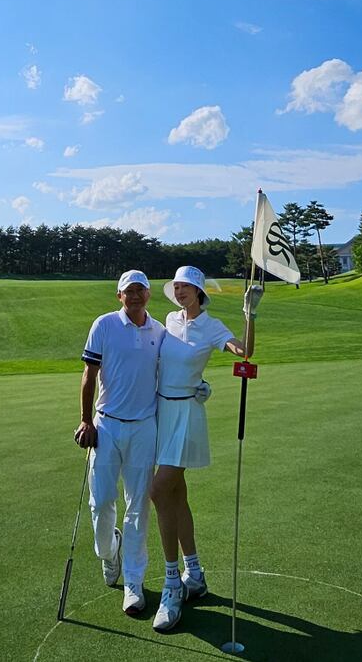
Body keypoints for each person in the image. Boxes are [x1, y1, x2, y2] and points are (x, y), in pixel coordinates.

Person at [150, 265, 262, 632]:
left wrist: (249, 315)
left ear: (199, 292)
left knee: (158, 490)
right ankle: (194, 573)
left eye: (187, 287)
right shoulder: (168, 320)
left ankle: (172, 583)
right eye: (177, 286)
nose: (180, 291)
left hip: (187, 415)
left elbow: (243, 352)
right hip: (162, 412)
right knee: (176, 495)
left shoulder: (212, 326)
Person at [74, 270, 165, 616]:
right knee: (100, 503)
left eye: (141, 289)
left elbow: (171, 372)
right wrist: (85, 420)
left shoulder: (159, 331)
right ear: (119, 296)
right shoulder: (104, 325)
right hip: (107, 425)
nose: (136, 295)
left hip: (144, 428)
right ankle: (109, 551)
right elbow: (89, 375)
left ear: (149, 294)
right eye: (129, 291)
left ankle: (133, 582)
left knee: (138, 505)